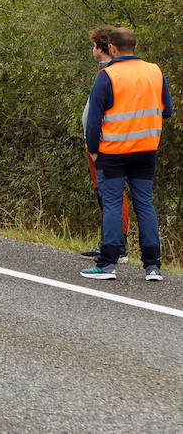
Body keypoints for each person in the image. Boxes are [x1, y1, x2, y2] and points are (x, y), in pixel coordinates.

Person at [80, 27, 171, 281]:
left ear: (112, 48)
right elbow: (168, 110)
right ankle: (153, 267)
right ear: (134, 46)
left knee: (111, 203)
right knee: (145, 203)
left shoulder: (107, 76)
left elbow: (94, 120)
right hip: (145, 151)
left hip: (113, 152)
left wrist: (94, 151)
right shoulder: (155, 71)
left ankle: (107, 264)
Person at [81, 26, 129, 262]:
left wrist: (95, 146)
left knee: (113, 194)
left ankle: (118, 246)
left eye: (94, 45)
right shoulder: (105, 71)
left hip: (105, 146)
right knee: (104, 193)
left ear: (103, 47)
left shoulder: (111, 73)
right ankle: (108, 242)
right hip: (97, 144)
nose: (92, 50)